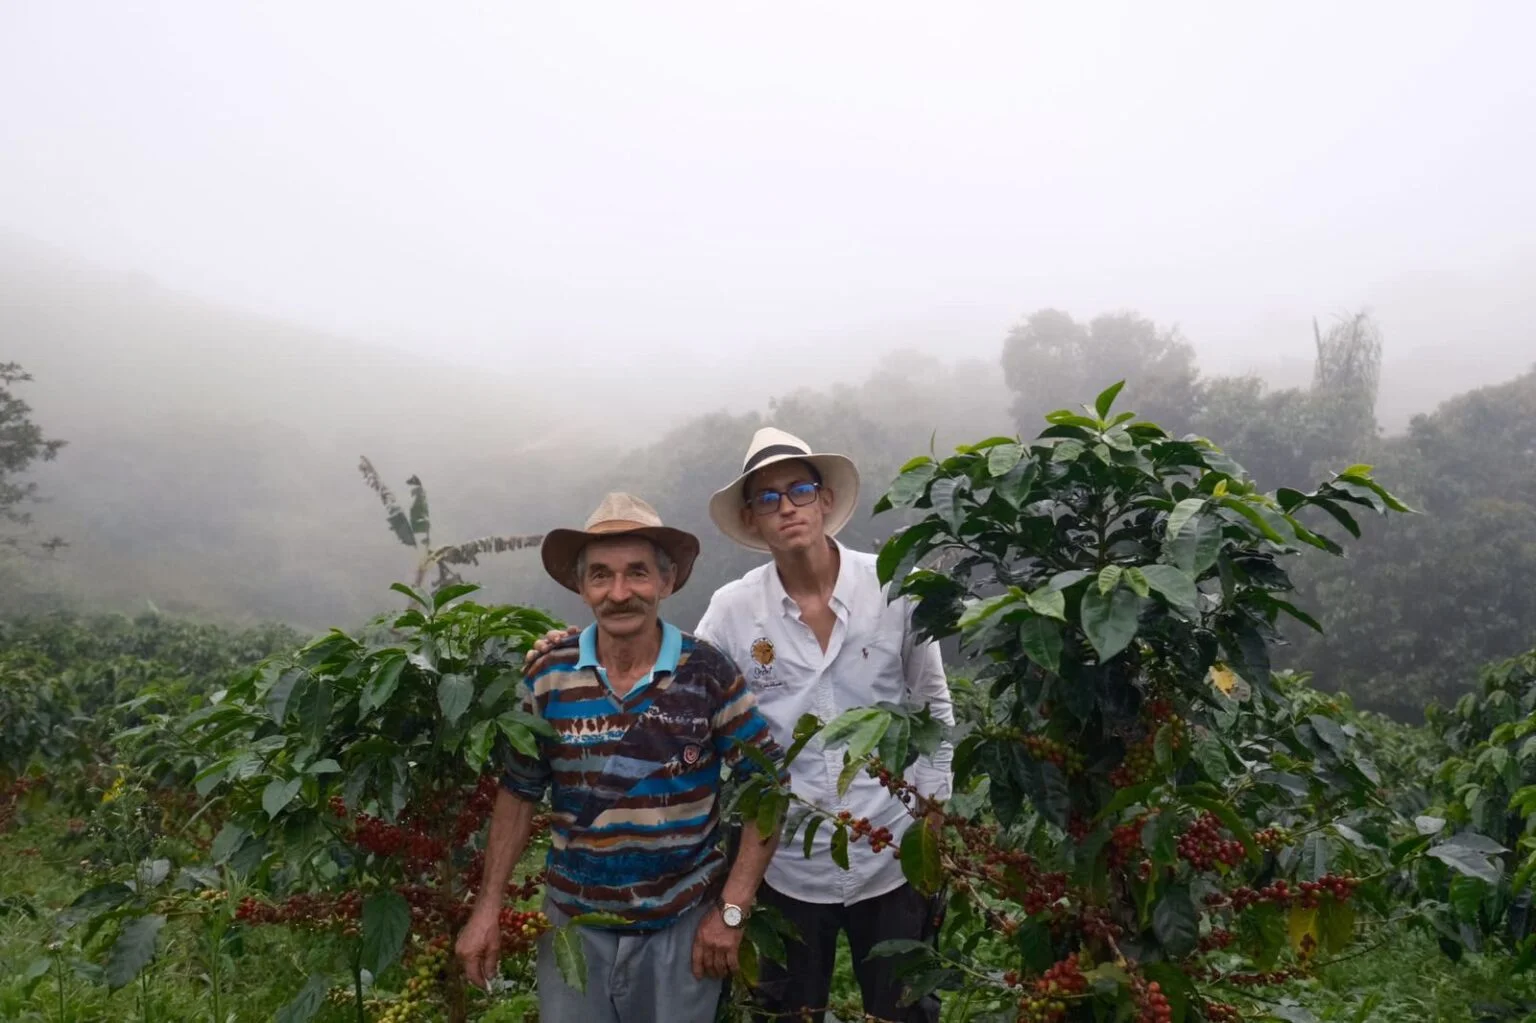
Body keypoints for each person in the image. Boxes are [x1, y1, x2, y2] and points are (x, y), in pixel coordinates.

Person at [527, 431, 955, 1022]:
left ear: (824, 500)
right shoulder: (733, 610)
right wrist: (582, 644)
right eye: (767, 497)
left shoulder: (893, 588)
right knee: (784, 1011)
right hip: (786, 869)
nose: (787, 507)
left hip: (892, 854)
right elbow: (677, 679)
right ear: (753, 520)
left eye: (799, 490)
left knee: (905, 1010)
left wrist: (930, 821)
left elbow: (933, 704)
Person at [455, 492, 785, 1023]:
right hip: (573, 928)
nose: (620, 592)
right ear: (582, 588)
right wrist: (487, 907)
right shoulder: (547, 676)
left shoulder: (707, 673)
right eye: (601, 576)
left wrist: (734, 906)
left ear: (667, 580)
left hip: (680, 926)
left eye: (637, 573)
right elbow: (518, 792)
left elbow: (767, 786)